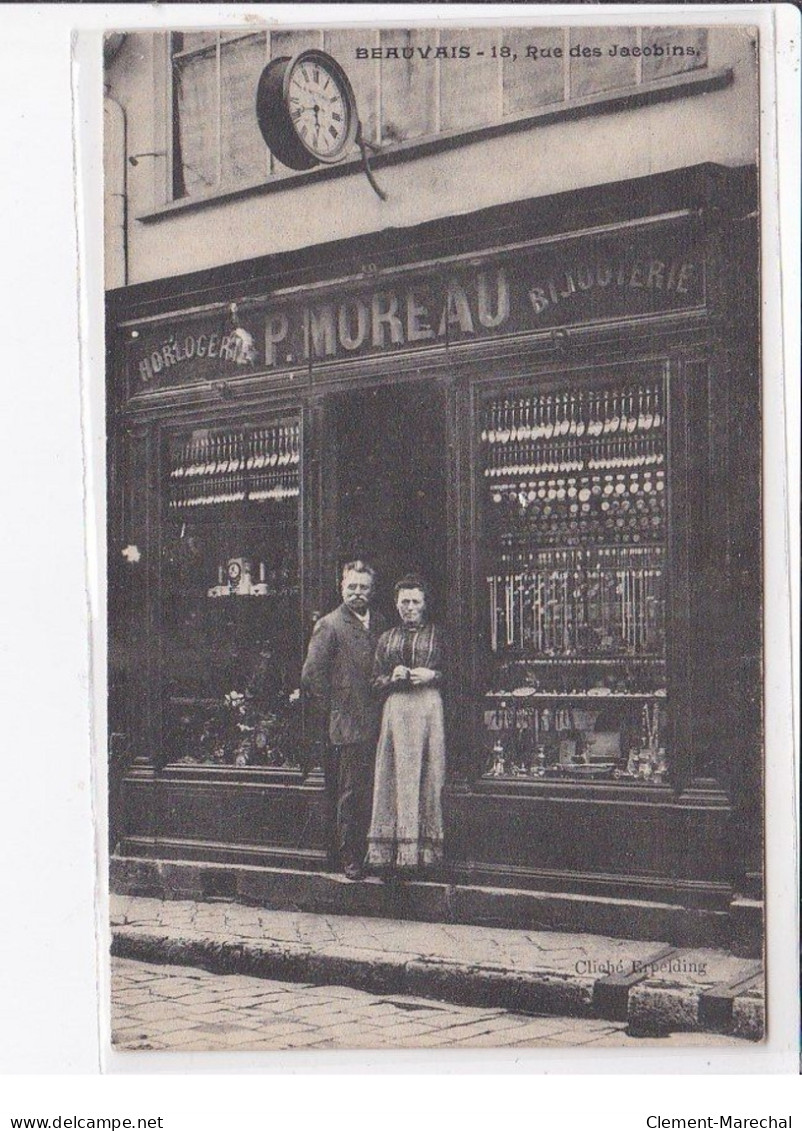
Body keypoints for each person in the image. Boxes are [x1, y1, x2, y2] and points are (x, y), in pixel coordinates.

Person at [301, 561, 386, 880]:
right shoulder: (330, 625)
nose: (357, 593)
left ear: (372, 590)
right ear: (342, 588)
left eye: (363, 587)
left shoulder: (380, 622)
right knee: (352, 792)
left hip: (380, 721)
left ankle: (374, 852)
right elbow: (312, 677)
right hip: (349, 724)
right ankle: (349, 856)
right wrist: (339, 705)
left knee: (376, 789)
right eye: (351, 587)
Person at [366, 575, 446, 875]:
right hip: (397, 709)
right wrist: (392, 677)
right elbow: (374, 680)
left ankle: (425, 854)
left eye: (415, 602)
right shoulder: (386, 638)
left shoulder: (439, 635)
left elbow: (456, 674)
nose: (409, 608)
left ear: (425, 605)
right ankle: (393, 853)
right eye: (404, 602)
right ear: (396, 605)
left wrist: (432, 676)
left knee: (429, 773)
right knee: (394, 775)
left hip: (428, 708)